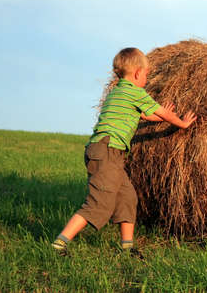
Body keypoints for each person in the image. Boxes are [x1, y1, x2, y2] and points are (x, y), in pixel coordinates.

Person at [51, 47, 197, 255]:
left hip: (110, 153)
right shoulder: (134, 91)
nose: (146, 78)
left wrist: (163, 115)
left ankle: (126, 247)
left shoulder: (118, 92)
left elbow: (147, 115)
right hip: (106, 151)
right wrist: (181, 123)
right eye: (146, 74)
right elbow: (161, 112)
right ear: (138, 73)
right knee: (99, 204)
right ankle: (60, 243)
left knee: (127, 197)